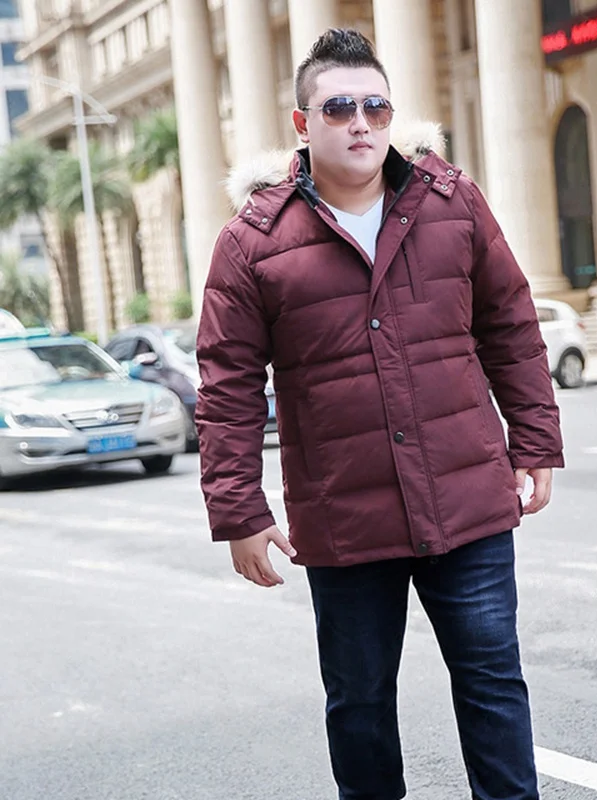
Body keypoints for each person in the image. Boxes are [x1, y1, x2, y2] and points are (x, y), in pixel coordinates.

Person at [196, 28, 564, 800]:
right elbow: (227, 386)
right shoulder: (252, 242)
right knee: (359, 706)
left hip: (467, 503)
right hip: (345, 523)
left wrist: (535, 439)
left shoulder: (452, 203)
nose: (360, 123)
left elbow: (511, 323)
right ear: (303, 124)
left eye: (376, 107)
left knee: (494, 684)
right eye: (338, 109)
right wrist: (238, 510)